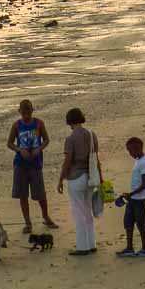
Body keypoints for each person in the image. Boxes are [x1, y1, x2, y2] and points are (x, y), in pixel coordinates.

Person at [7, 99, 59, 234]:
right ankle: (27, 222)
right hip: (20, 164)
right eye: (24, 113)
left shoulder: (39, 123)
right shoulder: (16, 125)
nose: (26, 115)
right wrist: (20, 150)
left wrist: (39, 149)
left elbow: (46, 139)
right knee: (22, 194)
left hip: (36, 164)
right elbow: (10, 143)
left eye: (28, 112)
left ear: (32, 110)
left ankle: (46, 217)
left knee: (40, 194)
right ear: (19, 112)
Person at [57, 107, 102, 256]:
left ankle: (83, 246)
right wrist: (100, 177)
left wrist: (61, 179)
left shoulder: (70, 139)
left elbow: (67, 161)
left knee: (78, 213)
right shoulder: (91, 135)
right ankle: (91, 243)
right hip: (90, 177)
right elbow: (95, 158)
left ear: (69, 121)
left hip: (76, 177)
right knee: (88, 211)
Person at [116, 137, 145, 259]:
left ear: (137, 148)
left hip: (139, 199)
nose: (130, 153)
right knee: (128, 222)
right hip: (134, 198)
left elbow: (144, 184)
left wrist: (130, 194)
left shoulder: (143, 163)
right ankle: (129, 248)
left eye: (130, 151)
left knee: (141, 224)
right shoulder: (138, 160)